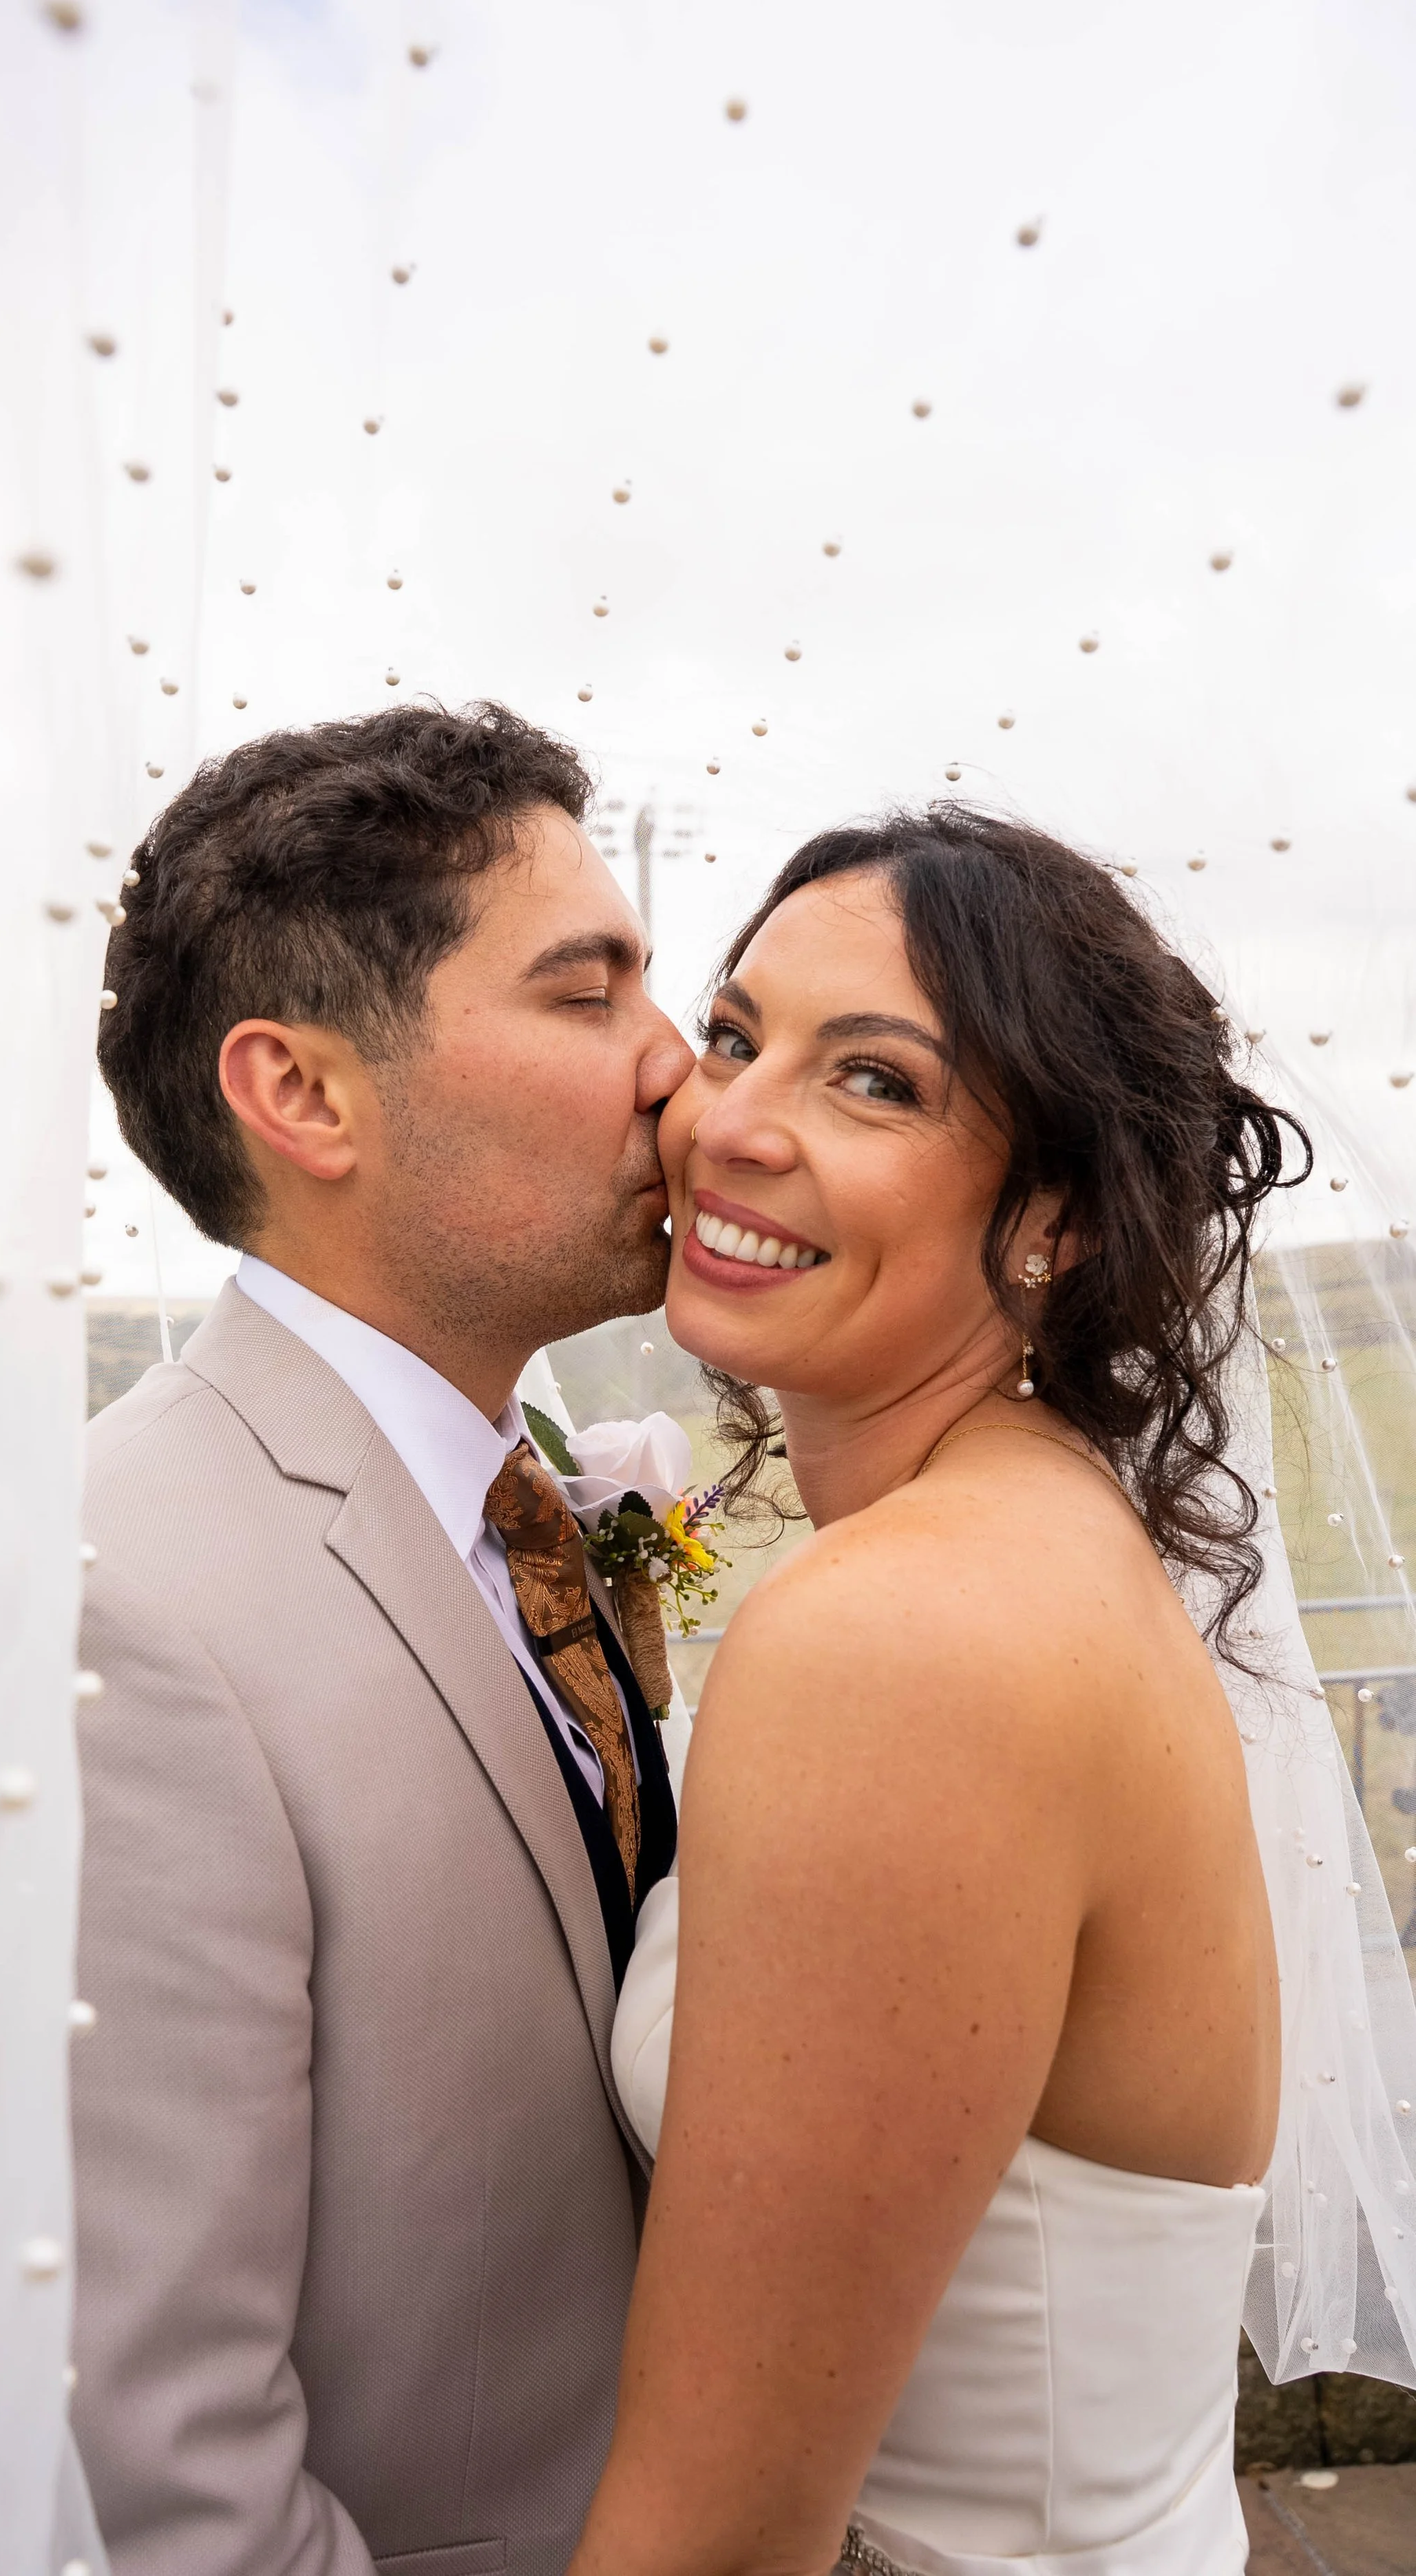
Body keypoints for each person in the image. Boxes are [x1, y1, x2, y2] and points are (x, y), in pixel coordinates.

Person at [578, 809, 1302, 2576]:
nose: (730, 1122)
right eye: (735, 1036)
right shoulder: (1036, 1526)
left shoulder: (903, 1638)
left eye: (876, 1083)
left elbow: (723, 2536)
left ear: (1047, 1217)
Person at [72, 703, 690, 2576]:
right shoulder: (126, 1605)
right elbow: (165, 2453)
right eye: (590, 996)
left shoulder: (530, 1484)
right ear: (308, 1096)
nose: (683, 1071)